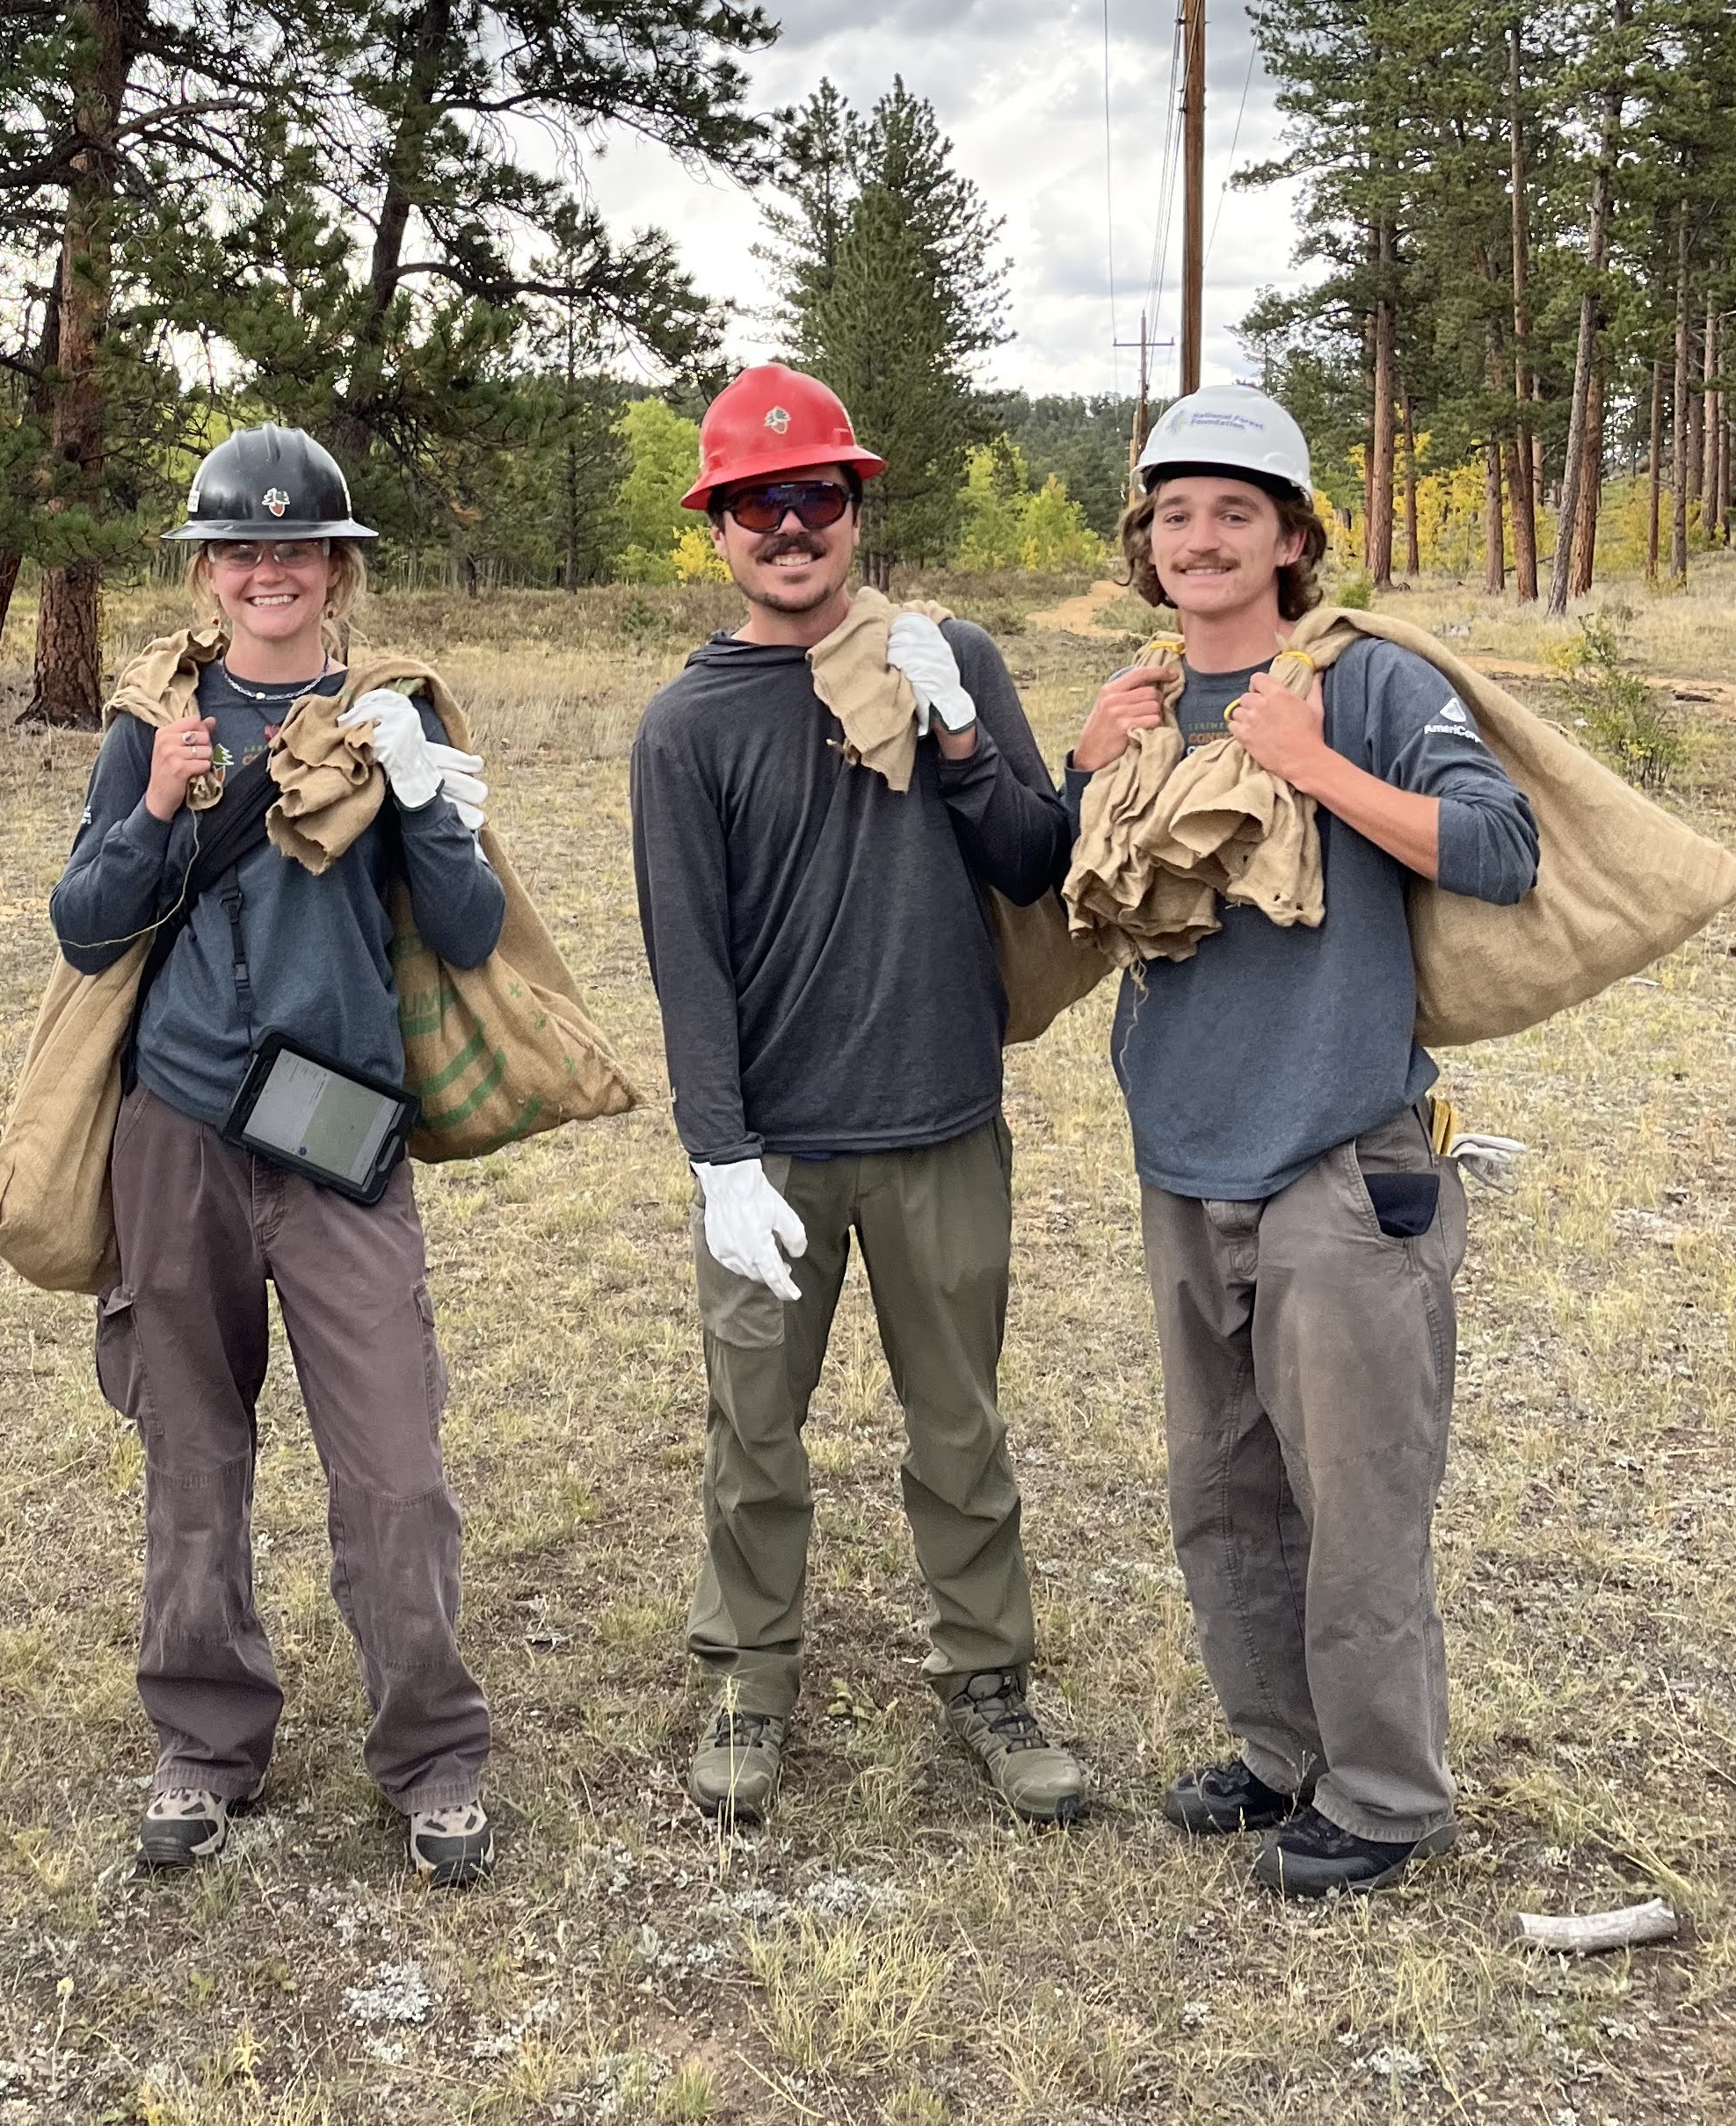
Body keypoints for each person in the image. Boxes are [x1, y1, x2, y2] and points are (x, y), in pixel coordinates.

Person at [1068, 383, 1538, 1895]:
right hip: (1183, 1155)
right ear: (1148, 545)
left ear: (1290, 539)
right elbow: (1055, 888)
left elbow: (1499, 850)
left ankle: (1389, 1796)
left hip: (1344, 1156)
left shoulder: (1370, 682)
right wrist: (1084, 768)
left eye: (1235, 513)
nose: (1200, 540)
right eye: (1174, 516)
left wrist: (1315, 762)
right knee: (1223, 1486)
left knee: (1359, 1493)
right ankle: (1281, 1753)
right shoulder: (1139, 696)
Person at [629, 364, 1086, 1827]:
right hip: (775, 1152)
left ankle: (989, 1683)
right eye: (758, 503)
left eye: (815, 496)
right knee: (753, 1427)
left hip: (941, 1121)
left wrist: (959, 736)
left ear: (854, 511)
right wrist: (719, 1156)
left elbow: (1034, 859)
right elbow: (686, 960)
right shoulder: (684, 727)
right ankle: (753, 1681)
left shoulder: (949, 657)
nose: (790, 526)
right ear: (717, 530)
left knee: (960, 1424)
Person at [50, 424, 504, 1887]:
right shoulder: (153, 719)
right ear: (207, 569)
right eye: (239, 550)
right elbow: (84, 922)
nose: (267, 570)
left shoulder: (389, 713)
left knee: (394, 1467)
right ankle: (205, 1737)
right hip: (176, 1128)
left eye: (295, 548)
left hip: (339, 1131)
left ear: (336, 567)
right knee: (192, 1450)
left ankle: (432, 1753)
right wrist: (163, 799)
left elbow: (476, 934)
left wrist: (431, 803)